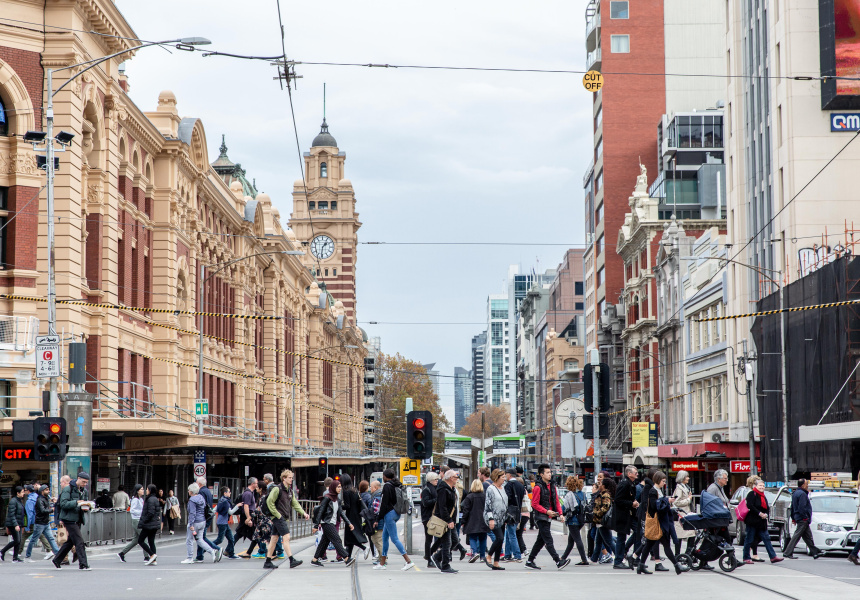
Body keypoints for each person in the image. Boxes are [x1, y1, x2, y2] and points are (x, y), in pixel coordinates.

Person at [526, 463, 570, 570]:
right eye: (547, 472)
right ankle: (558, 561)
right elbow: (534, 504)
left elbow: (556, 501)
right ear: (541, 474)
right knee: (548, 540)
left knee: (540, 541)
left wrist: (560, 514)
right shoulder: (538, 487)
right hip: (541, 517)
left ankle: (529, 560)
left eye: (550, 472)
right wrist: (547, 512)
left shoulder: (552, 486)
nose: (550, 474)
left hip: (548, 516)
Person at [637, 471, 682, 575]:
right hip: (657, 523)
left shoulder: (657, 490)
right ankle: (676, 565)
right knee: (665, 544)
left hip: (659, 522)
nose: (664, 483)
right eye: (663, 481)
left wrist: (666, 501)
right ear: (657, 480)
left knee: (649, 544)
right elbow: (654, 506)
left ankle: (640, 566)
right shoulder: (653, 491)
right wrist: (667, 501)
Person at [264, 469, 309, 569]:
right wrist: (277, 515)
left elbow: (295, 504)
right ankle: (291, 560)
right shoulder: (277, 489)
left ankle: (267, 562)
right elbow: (269, 502)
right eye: (289, 478)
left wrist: (304, 513)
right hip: (278, 517)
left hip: (281, 517)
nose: (291, 479)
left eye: (292, 478)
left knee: (274, 539)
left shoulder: (290, 491)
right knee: (286, 537)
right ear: (284, 478)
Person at [375, 468, 414, 571]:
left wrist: (378, 518)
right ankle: (382, 563)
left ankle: (408, 561)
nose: (382, 478)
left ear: (386, 477)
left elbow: (384, 504)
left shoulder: (387, 486)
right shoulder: (397, 484)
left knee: (394, 539)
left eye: (383, 476)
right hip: (396, 513)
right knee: (384, 537)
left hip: (389, 514)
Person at [310, 480, 355, 568]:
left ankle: (314, 560)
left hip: (332, 523)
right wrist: (316, 525)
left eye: (340, 487)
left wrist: (349, 523)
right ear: (333, 487)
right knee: (337, 540)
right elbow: (321, 511)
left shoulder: (337, 500)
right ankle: (346, 558)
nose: (340, 489)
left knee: (324, 542)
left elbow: (341, 513)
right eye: (338, 487)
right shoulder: (327, 498)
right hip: (327, 523)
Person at [52, 472, 92, 570]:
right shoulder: (68, 489)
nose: (84, 484)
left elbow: (84, 502)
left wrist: (87, 506)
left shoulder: (84, 491)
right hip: (69, 519)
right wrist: (76, 502)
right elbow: (63, 504)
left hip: (78, 518)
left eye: (86, 483)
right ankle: (83, 564)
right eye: (83, 482)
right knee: (79, 541)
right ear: (78, 478)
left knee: (70, 542)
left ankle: (57, 559)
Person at [742, 478, 783, 565]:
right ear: (755, 486)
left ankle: (773, 557)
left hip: (761, 522)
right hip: (752, 521)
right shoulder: (751, 494)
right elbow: (750, 505)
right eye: (760, 485)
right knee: (749, 539)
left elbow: (767, 507)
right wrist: (759, 513)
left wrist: (766, 515)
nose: (762, 487)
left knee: (767, 539)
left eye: (763, 486)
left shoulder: (763, 495)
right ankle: (746, 557)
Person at [429, 469, 461, 573]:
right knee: (447, 543)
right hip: (444, 520)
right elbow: (442, 507)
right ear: (451, 478)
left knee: (455, 541)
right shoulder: (443, 489)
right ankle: (445, 565)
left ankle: (437, 557)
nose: (457, 479)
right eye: (456, 477)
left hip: (450, 520)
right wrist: (448, 520)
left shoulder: (450, 488)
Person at [182, 482, 222, 564]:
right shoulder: (201, 498)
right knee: (200, 540)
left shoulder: (192, 500)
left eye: (189, 490)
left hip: (195, 522)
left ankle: (190, 558)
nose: (188, 491)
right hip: (202, 521)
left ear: (191, 491)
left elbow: (192, 513)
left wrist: (191, 524)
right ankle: (212, 551)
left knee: (189, 540)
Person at [783, 478, 822, 559]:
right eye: (806, 483)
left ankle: (815, 552)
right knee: (796, 536)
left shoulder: (795, 493)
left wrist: (793, 517)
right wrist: (805, 517)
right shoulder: (802, 494)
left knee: (808, 536)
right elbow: (802, 507)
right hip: (802, 519)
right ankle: (787, 552)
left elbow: (793, 507)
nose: (807, 485)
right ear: (803, 485)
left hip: (799, 518)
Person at [25, 484, 60, 562]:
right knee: (34, 539)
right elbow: (43, 510)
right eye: (47, 490)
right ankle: (27, 556)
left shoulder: (45, 498)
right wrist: (52, 510)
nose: (49, 491)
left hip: (45, 522)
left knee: (50, 538)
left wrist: (54, 503)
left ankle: (58, 554)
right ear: (42, 491)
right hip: (40, 523)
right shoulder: (40, 500)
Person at [614, 466, 639, 569]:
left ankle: (632, 557)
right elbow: (618, 500)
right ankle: (618, 561)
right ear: (629, 474)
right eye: (635, 472)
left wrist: (634, 503)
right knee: (621, 537)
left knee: (638, 531)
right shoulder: (624, 484)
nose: (637, 474)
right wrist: (631, 504)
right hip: (622, 515)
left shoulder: (629, 483)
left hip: (628, 514)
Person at [117, 484, 149, 562]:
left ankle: (122, 553)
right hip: (136, 521)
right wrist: (142, 513)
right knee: (144, 538)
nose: (143, 490)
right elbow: (132, 510)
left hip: (139, 520)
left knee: (135, 540)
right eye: (141, 489)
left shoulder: (140, 499)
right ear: (138, 491)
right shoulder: (135, 500)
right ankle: (147, 557)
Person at [560, 476, 588, 565]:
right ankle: (563, 557)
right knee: (571, 541)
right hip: (581, 520)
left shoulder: (569, 495)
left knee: (577, 540)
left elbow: (565, 508)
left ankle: (584, 559)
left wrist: (559, 512)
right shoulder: (583, 494)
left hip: (572, 520)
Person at [462, 478, 489, 564]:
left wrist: (463, 521)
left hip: (472, 520)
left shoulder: (469, 497)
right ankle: (482, 556)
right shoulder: (485, 496)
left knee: (472, 537)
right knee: (483, 538)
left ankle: (474, 553)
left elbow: (466, 510)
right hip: (483, 520)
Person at [672, 471, 698, 560]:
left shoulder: (686, 487)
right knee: (683, 535)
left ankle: (686, 554)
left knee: (691, 534)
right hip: (682, 515)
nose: (688, 478)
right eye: (687, 477)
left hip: (686, 515)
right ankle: (681, 555)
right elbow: (676, 502)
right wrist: (688, 499)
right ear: (682, 478)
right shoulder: (679, 488)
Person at [591, 477, 616, 564]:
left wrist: (596, 513)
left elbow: (605, 507)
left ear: (604, 486)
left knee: (608, 540)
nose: (599, 485)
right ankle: (594, 559)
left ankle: (620, 556)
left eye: (601, 484)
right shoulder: (601, 493)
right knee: (598, 541)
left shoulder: (605, 495)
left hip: (602, 521)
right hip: (599, 521)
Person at [195, 477, 220, 562]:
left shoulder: (201, 492)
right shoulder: (207, 491)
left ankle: (217, 549)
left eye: (196, 482)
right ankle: (199, 556)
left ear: (199, 484)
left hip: (204, 516)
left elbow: (201, 505)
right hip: (208, 516)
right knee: (201, 536)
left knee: (201, 537)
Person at [214, 487, 242, 560]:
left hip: (222, 522)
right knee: (219, 540)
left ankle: (231, 553)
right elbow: (231, 512)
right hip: (223, 523)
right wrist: (237, 506)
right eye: (229, 492)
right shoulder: (226, 502)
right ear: (225, 493)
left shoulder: (221, 500)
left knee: (231, 539)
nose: (230, 493)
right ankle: (205, 548)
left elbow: (214, 510)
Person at [136, 484, 161, 566]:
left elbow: (150, 512)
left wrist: (144, 521)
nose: (146, 491)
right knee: (151, 541)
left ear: (150, 490)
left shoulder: (150, 500)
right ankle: (154, 560)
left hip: (149, 524)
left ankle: (152, 555)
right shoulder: (155, 499)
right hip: (154, 523)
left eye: (147, 489)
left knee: (140, 540)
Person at [503, 468, 525, 562]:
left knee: (511, 534)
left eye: (505, 474)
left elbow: (506, 498)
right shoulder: (520, 485)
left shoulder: (508, 485)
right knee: (509, 534)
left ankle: (517, 555)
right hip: (518, 511)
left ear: (509, 475)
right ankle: (507, 554)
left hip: (510, 512)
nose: (505, 476)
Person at [2, 485, 27, 562]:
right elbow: (12, 514)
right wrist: (15, 524)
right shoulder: (13, 501)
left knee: (18, 541)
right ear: (17, 493)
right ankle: (2, 551)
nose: (23, 494)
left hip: (18, 523)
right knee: (17, 540)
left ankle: (15, 557)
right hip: (13, 524)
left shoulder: (19, 500)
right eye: (22, 492)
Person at [236, 477, 259, 558]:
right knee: (254, 535)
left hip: (248, 516)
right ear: (252, 484)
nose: (257, 484)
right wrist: (248, 518)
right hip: (247, 516)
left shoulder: (250, 493)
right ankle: (264, 550)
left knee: (241, 533)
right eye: (256, 483)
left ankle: (229, 550)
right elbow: (246, 506)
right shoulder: (248, 494)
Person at [420, 472, 439, 563]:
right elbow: (425, 503)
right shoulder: (427, 490)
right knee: (429, 538)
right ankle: (429, 558)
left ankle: (429, 555)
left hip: (432, 517)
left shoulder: (433, 488)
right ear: (431, 480)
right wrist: (436, 500)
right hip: (428, 517)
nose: (437, 480)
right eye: (435, 479)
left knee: (436, 537)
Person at [367, 480, 384, 563]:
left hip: (378, 522)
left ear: (376, 488)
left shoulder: (377, 496)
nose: (370, 488)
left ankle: (382, 559)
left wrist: (374, 521)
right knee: (375, 539)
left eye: (371, 487)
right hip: (379, 521)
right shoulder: (379, 495)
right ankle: (381, 557)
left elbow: (375, 510)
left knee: (378, 540)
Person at [518, 476, 531, 556]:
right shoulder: (525, 490)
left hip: (522, 514)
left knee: (518, 533)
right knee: (519, 533)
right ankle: (522, 550)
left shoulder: (520, 490)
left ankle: (523, 550)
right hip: (526, 514)